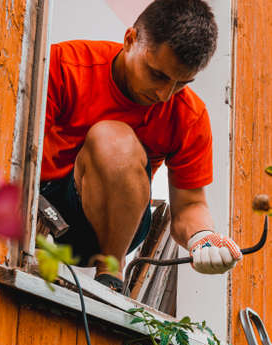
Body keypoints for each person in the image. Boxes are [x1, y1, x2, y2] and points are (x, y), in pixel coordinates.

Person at [40, 0, 242, 292]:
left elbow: (190, 206)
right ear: (130, 39)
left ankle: (111, 272)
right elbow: (17, 154)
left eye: (181, 84)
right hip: (45, 201)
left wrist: (203, 237)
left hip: (115, 224)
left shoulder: (189, 115)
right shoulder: (64, 64)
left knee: (114, 140)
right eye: (157, 75)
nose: (164, 94)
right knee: (109, 136)